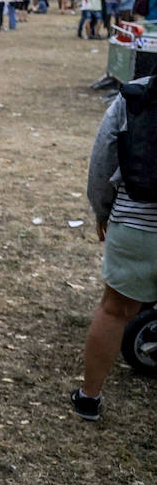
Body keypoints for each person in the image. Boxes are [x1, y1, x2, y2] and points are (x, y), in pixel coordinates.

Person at [73, 74, 157, 421]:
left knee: (114, 310)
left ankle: (89, 397)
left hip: (136, 222)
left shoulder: (136, 92)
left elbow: (103, 159)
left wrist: (103, 209)